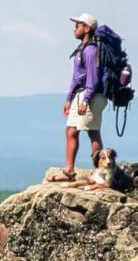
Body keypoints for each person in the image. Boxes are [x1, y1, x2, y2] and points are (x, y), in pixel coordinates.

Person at [49, 13, 107, 182]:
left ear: (87, 28)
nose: (75, 28)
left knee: (92, 132)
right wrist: (69, 98)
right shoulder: (82, 49)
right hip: (83, 94)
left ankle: (98, 172)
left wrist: (86, 100)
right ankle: (69, 171)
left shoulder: (90, 50)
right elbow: (77, 77)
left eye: (78, 25)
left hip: (92, 95)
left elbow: (93, 78)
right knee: (71, 131)